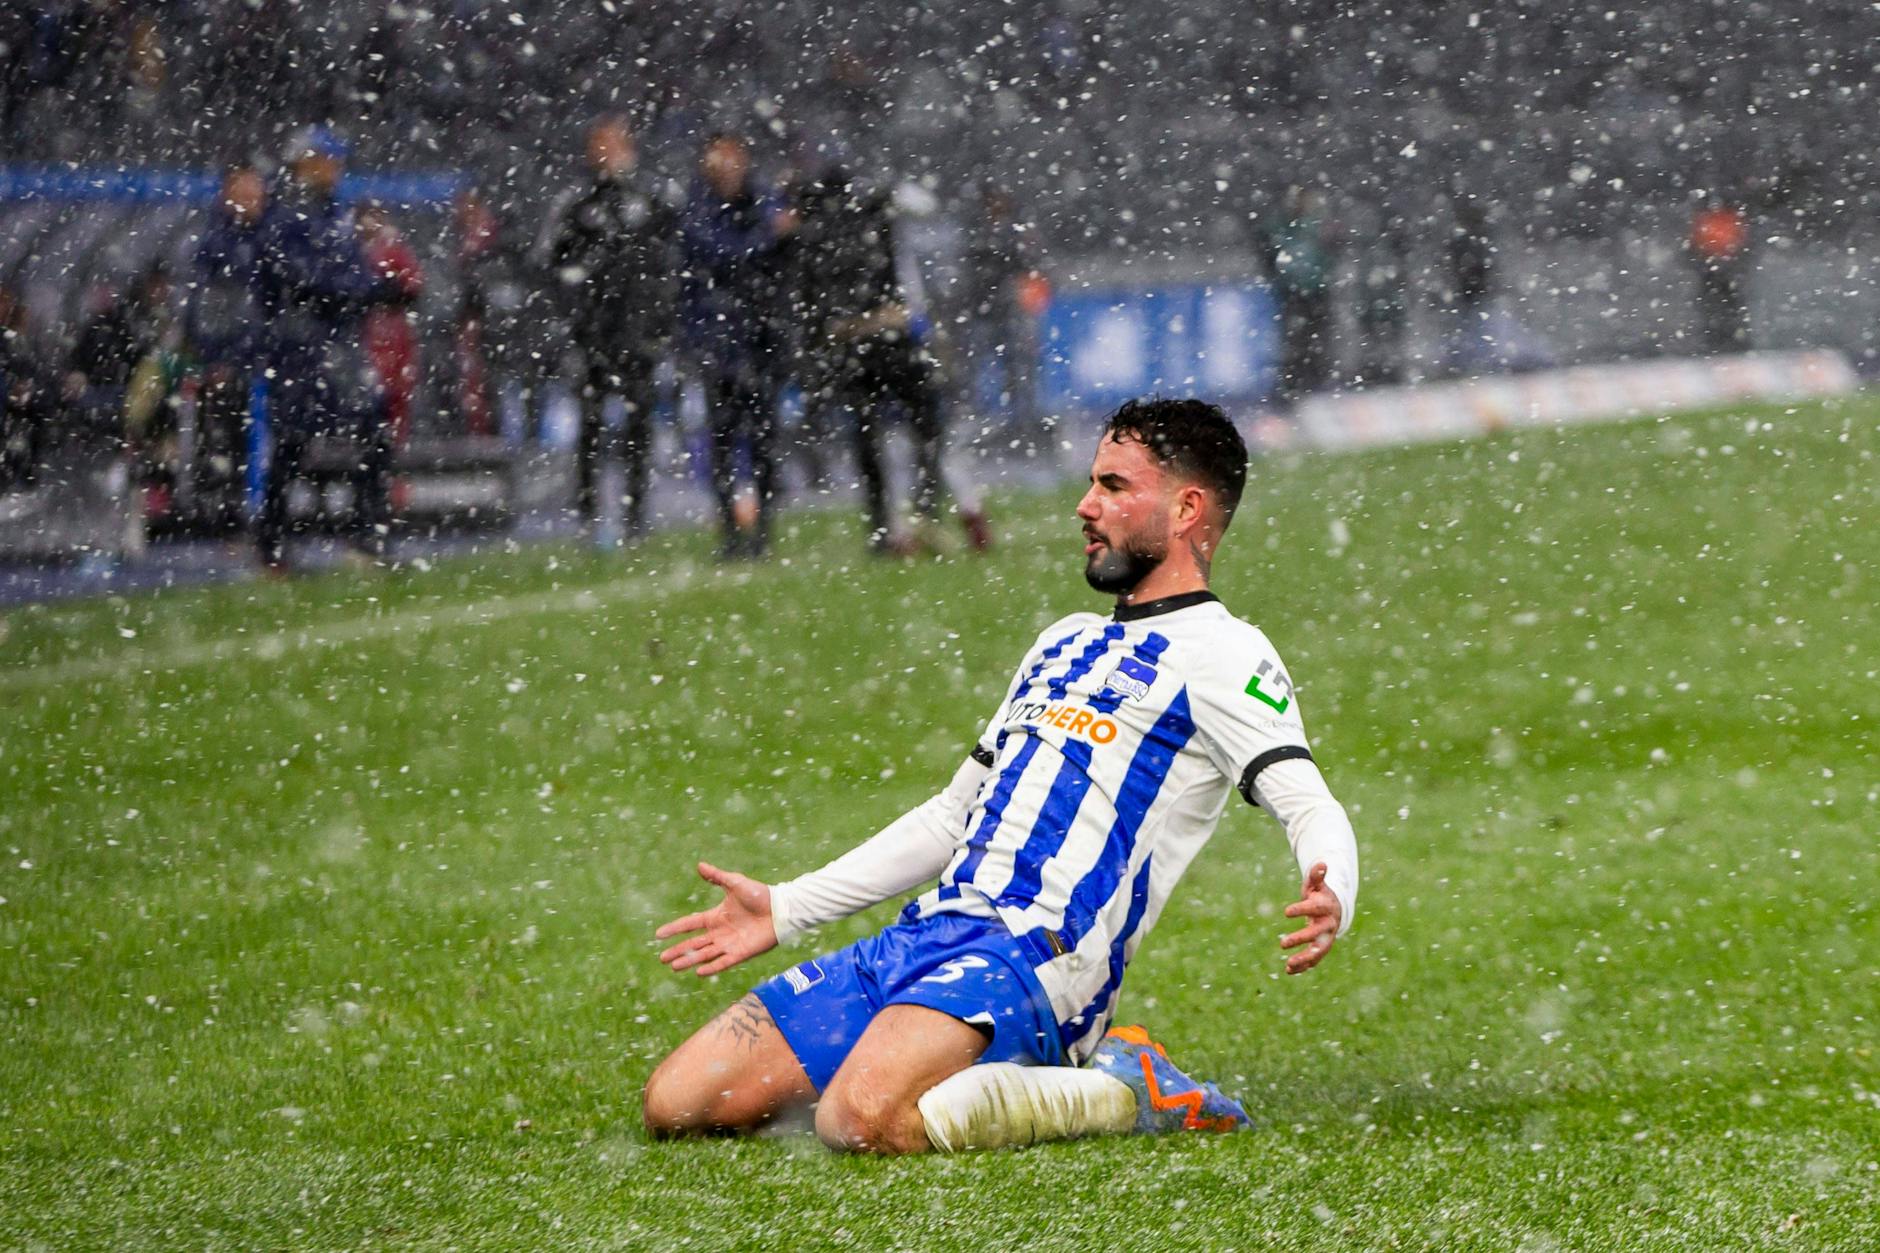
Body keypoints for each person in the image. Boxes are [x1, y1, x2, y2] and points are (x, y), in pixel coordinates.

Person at [643, 397, 1360, 1155]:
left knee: (856, 1120)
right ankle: (935, 1055)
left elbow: (1309, 802)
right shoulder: (1063, 642)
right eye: (1092, 482)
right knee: (681, 1102)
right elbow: (952, 817)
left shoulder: (1226, 653)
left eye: (1114, 486)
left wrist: (1332, 885)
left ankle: (1124, 1086)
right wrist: (787, 907)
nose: (1086, 505)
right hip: (932, 931)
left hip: (1040, 958)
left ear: (1187, 508)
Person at [793, 166, 989, 555]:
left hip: (875, 347)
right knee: (915, 429)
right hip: (885, 344)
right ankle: (916, 515)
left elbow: (823, 314)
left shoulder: (839, 234)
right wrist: (873, 322)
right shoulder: (860, 230)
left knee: (889, 435)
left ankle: (899, 521)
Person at [253, 124, 399, 572]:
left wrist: (380, 289)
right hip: (298, 344)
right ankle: (273, 545)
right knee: (292, 443)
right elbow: (299, 279)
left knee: (372, 430)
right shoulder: (283, 216)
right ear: (305, 162)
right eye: (326, 160)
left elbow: (349, 271)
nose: (334, 170)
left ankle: (365, 537)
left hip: (336, 342)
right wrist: (358, 293)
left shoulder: (335, 213)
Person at [546, 115, 678, 543]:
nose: (606, 153)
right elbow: (551, 262)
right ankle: (588, 515)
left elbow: (670, 263)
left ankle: (636, 516)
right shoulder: (577, 202)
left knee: (639, 423)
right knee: (590, 424)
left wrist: (659, 319)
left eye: (613, 144)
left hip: (637, 333)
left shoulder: (652, 198)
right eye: (599, 145)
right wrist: (576, 309)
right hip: (592, 334)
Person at [680, 133, 788, 559]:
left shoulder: (760, 199)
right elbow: (712, 252)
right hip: (719, 341)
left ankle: (761, 530)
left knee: (763, 440)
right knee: (723, 440)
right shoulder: (699, 207)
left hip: (760, 337)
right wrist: (765, 238)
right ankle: (730, 529)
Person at [187, 162, 270, 529]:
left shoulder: (269, 235)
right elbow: (208, 305)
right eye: (244, 190)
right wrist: (216, 354)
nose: (252, 198)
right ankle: (228, 519)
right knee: (228, 440)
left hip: (264, 356)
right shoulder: (217, 243)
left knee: (258, 439)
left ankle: (258, 516)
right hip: (236, 360)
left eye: (256, 190)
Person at [1256, 186, 1339, 403]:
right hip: (1293, 293)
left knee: (1319, 339)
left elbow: (1329, 252)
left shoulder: (1315, 225)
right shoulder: (1282, 227)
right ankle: (1293, 386)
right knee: (1296, 341)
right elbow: (1267, 248)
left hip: (1316, 292)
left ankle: (1316, 384)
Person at [1689, 197, 1750, 353]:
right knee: (1716, 306)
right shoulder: (1714, 220)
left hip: (1721, 270)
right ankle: (1718, 339)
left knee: (1724, 305)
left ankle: (1726, 339)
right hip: (1715, 269)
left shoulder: (1720, 219)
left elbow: (1738, 242)